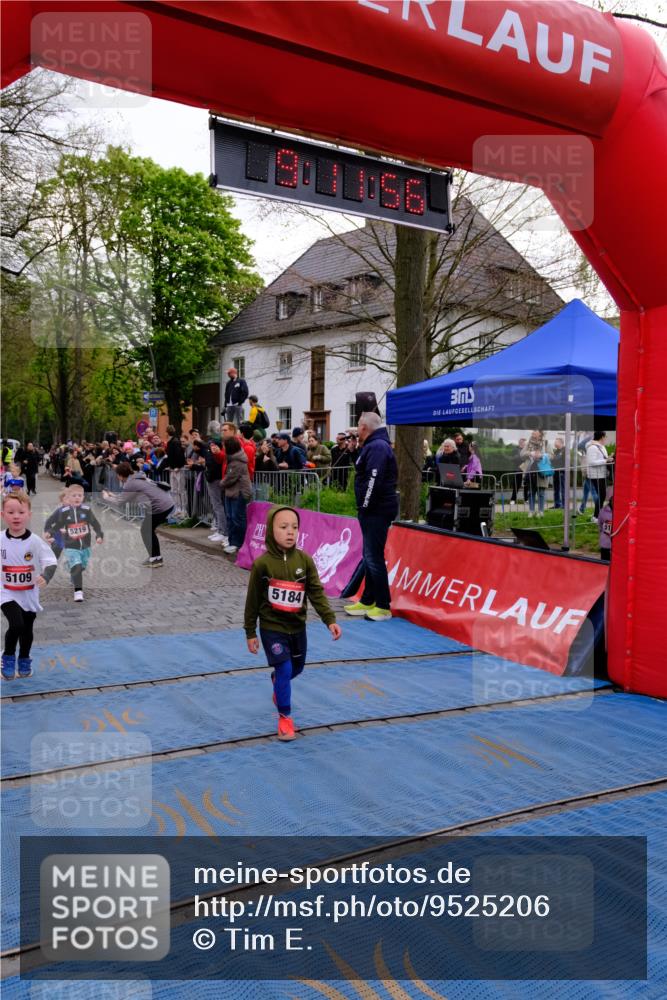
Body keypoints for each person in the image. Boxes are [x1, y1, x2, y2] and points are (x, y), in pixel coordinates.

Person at [244, 505, 341, 741]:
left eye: (295, 527)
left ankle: (279, 683)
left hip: (297, 628)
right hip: (271, 628)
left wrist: (330, 619)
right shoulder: (262, 565)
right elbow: (253, 600)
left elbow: (316, 592)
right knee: (285, 668)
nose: (290, 532)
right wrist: (250, 632)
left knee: (295, 669)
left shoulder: (305, 561)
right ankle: (285, 717)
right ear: (270, 531)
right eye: (284, 527)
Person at [344, 412, 398, 622]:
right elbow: (363, 471)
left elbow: (373, 480)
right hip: (373, 508)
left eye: (358, 424)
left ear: (365, 427)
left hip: (376, 509)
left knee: (374, 558)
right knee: (369, 556)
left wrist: (365, 506)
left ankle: (383, 606)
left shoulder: (377, 447)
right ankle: (368, 600)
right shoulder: (373, 445)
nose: (356, 428)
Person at [1, 491, 58, 679]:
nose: (16, 516)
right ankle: (8, 656)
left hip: (29, 593)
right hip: (6, 592)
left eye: (21, 512)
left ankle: (24, 658)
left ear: (29, 515)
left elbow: (50, 561)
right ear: (2, 515)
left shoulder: (35, 542)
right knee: (16, 624)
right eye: (10, 512)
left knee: (27, 628)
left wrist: (46, 576)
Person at [102, 461, 174, 567]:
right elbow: (126, 499)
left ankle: (155, 558)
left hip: (159, 507)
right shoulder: (137, 477)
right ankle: (156, 557)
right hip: (166, 503)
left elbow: (120, 503)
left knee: (146, 530)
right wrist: (113, 495)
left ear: (120, 475)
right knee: (148, 530)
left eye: (117, 475)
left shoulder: (130, 484)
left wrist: (106, 498)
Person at [43, 484, 104, 602]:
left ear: (83, 497)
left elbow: (96, 524)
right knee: (77, 566)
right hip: (70, 545)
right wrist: (49, 532)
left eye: (80, 495)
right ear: (69, 497)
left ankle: (71, 567)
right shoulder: (64, 512)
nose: (77, 498)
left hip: (85, 546)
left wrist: (99, 535)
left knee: (82, 566)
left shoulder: (86, 510)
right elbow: (55, 524)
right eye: (74, 496)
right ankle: (78, 592)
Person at [221, 437, 252, 555]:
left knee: (237, 518)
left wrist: (221, 483)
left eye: (225, 445)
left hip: (239, 493)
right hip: (231, 492)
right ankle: (232, 541)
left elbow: (231, 478)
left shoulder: (238, 461)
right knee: (230, 517)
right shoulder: (232, 459)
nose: (223, 448)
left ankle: (239, 543)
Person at [520, 430, 549, 518]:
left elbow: (551, 455)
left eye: (535, 431)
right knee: (531, 492)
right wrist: (530, 453)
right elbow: (521, 454)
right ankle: (531, 511)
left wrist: (542, 455)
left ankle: (541, 512)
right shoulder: (529, 443)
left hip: (542, 470)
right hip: (530, 471)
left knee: (541, 493)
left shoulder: (546, 443)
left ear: (540, 433)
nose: (532, 432)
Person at [584, 431, 610, 522]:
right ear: (602, 437)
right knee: (602, 495)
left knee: (602, 495)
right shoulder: (592, 448)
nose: (606, 439)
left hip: (601, 474)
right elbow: (591, 462)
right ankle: (595, 516)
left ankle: (597, 515)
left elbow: (603, 459)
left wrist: (608, 459)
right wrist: (606, 461)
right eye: (605, 437)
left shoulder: (601, 447)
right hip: (596, 475)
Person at [165, 424, 188, 518]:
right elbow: (170, 456)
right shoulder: (171, 442)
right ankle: (177, 509)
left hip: (178, 469)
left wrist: (178, 466)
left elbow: (179, 455)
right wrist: (170, 466)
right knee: (174, 490)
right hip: (172, 469)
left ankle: (183, 509)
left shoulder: (175, 442)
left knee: (181, 490)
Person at [551, 436, 566, 509]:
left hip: (562, 472)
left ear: (561, 443)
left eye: (556, 442)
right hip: (555, 472)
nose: (554, 443)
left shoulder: (565, 450)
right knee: (556, 489)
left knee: (563, 489)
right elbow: (553, 460)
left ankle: (564, 505)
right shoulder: (556, 451)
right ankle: (557, 504)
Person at [599, 491, 613, 561]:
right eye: (612, 498)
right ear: (610, 500)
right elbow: (600, 525)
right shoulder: (603, 511)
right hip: (606, 544)